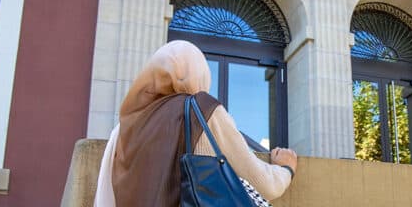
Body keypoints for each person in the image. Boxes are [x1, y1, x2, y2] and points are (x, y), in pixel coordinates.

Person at [93, 40, 297, 207]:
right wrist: (286, 169)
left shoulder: (124, 129)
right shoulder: (201, 109)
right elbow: (263, 184)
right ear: (201, 74)